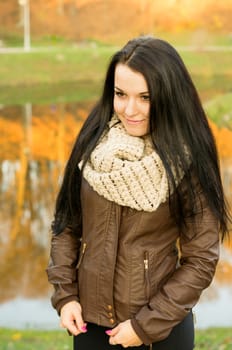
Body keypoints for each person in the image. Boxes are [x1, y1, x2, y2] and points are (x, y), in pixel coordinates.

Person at [46, 36, 230, 350]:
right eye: (121, 94)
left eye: (145, 97)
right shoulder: (93, 144)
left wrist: (145, 326)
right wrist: (66, 297)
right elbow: (67, 226)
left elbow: (200, 259)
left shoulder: (188, 159)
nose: (130, 109)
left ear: (169, 96)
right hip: (90, 327)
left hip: (159, 332)